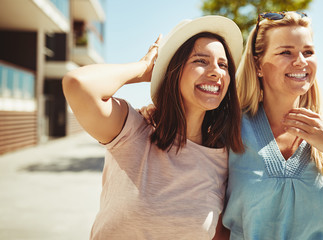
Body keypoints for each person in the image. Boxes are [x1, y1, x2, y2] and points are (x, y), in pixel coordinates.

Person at [62, 15, 244, 239]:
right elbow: (77, 84)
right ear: (174, 70)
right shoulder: (132, 129)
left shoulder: (224, 155)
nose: (216, 71)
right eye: (201, 61)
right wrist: (145, 67)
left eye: (223, 65)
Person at [222, 11, 323, 239]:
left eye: (308, 52)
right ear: (258, 65)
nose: (301, 61)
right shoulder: (229, 129)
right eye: (286, 52)